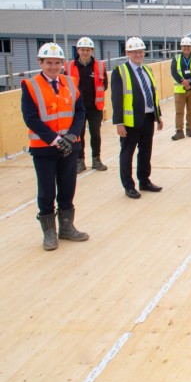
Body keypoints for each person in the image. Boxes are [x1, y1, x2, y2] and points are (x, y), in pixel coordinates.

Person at [22, 42, 89, 251]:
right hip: (44, 148)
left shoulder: (70, 82)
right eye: (49, 62)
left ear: (62, 63)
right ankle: (49, 232)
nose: (53, 66)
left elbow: (80, 112)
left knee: (68, 187)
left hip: (70, 146)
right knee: (46, 189)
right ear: (40, 62)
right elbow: (31, 118)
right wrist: (55, 139)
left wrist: (71, 136)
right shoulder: (31, 86)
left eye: (57, 62)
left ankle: (67, 227)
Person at [111, 37, 164, 199]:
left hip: (148, 118)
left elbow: (153, 94)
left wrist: (158, 115)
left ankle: (144, 180)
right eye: (134, 52)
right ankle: (128, 185)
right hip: (130, 121)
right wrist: (119, 122)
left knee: (146, 151)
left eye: (140, 52)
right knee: (127, 153)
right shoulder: (120, 72)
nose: (138, 55)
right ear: (127, 53)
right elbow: (117, 98)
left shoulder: (147, 69)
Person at [64, 36, 108, 172]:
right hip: (76, 109)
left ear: (92, 51)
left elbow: (104, 84)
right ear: (77, 50)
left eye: (87, 50)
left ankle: (96, 159)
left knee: (95, 134)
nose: (85, 52)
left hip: (95, 107)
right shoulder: (69, 67)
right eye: (82, 50)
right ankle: (80, 160)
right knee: (79, 135)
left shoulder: (99, 66)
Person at [170, 36, 191, 141]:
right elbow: (174, 72)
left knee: (190, 110)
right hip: (180, 90)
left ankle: (189, 129)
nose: (186, 48)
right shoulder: (176, 58)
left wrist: (189, 82)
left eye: (188, 46)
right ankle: (179, 131)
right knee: (179, 111)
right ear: (181, 47)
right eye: (184, 46)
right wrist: (183, 82)